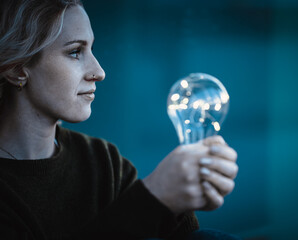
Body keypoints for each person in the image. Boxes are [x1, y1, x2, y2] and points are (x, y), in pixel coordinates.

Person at [0, 0, 239, 239]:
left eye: (92, 49)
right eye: (75, 52)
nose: (99, 72)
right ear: (17, 68)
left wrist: (183, 198)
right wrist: (155, 196)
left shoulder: (103, 160)